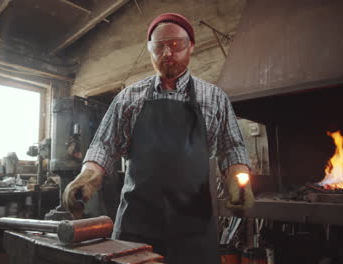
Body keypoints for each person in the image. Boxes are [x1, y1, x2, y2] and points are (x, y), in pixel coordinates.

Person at [62, 13, 255, 263]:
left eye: (176, 45)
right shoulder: (129, 98)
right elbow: (104, 146)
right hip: (136, 226)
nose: (167, 53)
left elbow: (232, 149)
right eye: (159, 46)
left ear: (191, 46)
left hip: (194, 230)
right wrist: (87, 178)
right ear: (150, 50)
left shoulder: (215, 98)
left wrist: (238, 182)